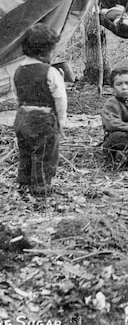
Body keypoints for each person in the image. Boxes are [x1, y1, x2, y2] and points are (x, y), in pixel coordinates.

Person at [13, 24, 67, 197]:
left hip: (22, 117)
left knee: (26, 151)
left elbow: (16, 94)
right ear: (45, 51)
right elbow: (60, 98)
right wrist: (61, 120)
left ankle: (23, 184)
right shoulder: (50, 72)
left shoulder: (18, 71)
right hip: (43, 119)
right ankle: (40, 189)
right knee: (45, 154)